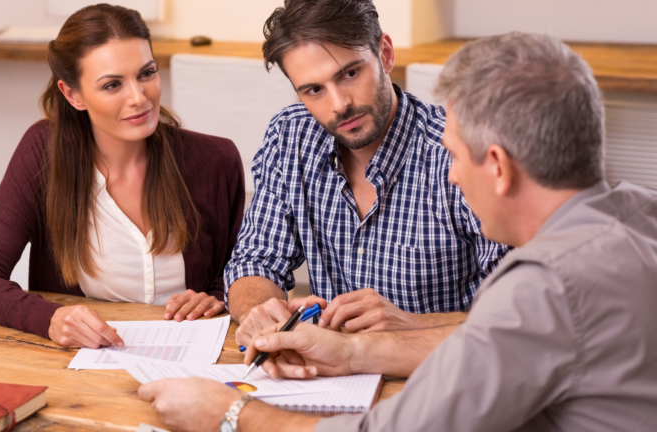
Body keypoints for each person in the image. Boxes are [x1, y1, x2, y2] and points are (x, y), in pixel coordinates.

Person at [138, 33, 657, 432]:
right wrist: (350, 352)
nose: (451, 172)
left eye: (455, 156)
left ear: (497, 166)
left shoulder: (546, 287)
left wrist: (231, 412)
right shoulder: (638, 214)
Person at [225, 0, 509, 354]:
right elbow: (255, 260)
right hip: (327, 372)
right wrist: (260, 314)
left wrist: (411, 324)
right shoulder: (290, 136)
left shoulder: (458, 150)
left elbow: (522, 315)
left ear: (385, 54)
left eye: (350, 73)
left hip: (440, 377)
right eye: (314, 90)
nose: (339, 104)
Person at [0, 4, 245, 349]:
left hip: (194, 357)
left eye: (146, 73)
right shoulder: (43, 153)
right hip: (85, 364)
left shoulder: (216, 160)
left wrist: (218, 296)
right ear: (73, 95)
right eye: (112, 85)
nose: (139, 98)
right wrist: (49, 318)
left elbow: (238, 271)